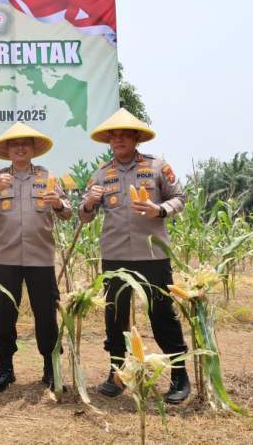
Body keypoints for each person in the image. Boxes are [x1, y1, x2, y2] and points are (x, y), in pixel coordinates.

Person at [78, 108, 190, 404]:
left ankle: (179, 375)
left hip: (153, 254)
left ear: (136, 138)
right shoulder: (101, 174)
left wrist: (160, 209)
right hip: (115, 257)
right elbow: (85, 216)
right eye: (113, 136)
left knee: (162, 314)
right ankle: (117, 374)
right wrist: (88, 204)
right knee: (115, 316)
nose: (118, 140)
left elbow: (180, 198)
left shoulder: (157, 166)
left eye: (125, 135)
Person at [0, 123, 71, 392]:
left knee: (46, 314)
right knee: (3, 314)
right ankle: (5, 368)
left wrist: (58, 203)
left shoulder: (48, 177)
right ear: (7, 150)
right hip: (5, 258)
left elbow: (67, 212)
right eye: (14, 144)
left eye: (25, 144)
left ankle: (51, 368)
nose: (19, 148)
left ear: (33, 149)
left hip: (41, 258)